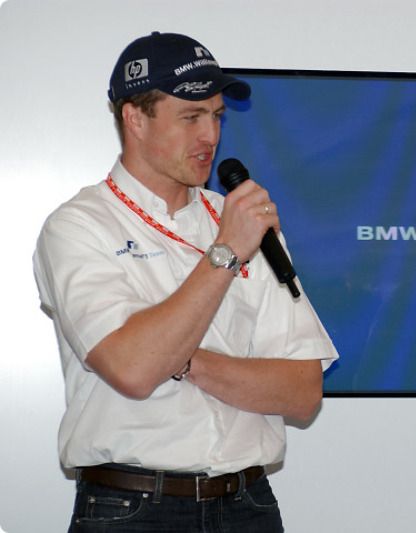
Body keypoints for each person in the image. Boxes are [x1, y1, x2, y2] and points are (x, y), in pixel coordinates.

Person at [33, 31, 338, 532]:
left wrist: (182, 358)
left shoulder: (241, 218)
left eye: (216, 116)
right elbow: (131, 369)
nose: (211, 136)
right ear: (134, 117)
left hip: (249, 503)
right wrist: (224, 254)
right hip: (132, 508)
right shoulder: (79, 226)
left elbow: (302, 391)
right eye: (191, 117)